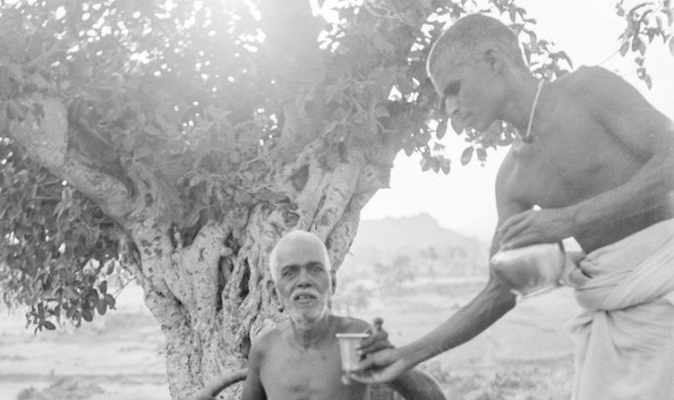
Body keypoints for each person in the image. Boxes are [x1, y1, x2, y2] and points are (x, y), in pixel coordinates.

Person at [351, 13, 674, 400]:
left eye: (454, 88)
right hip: (615, 324)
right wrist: (406, 355)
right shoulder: (512, 178)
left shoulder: (589, 89)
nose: (450, 109)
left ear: (493, 62)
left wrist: (569, 220)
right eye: (444, 99)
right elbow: (502, 291)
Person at [238, 230, 446, 400]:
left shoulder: (357, 338)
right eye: (290, 273)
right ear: (275, 292)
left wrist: (390, 361)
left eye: (315, 269)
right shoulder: (265, 348)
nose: (304, 281)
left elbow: (434, 397)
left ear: (333, 283)